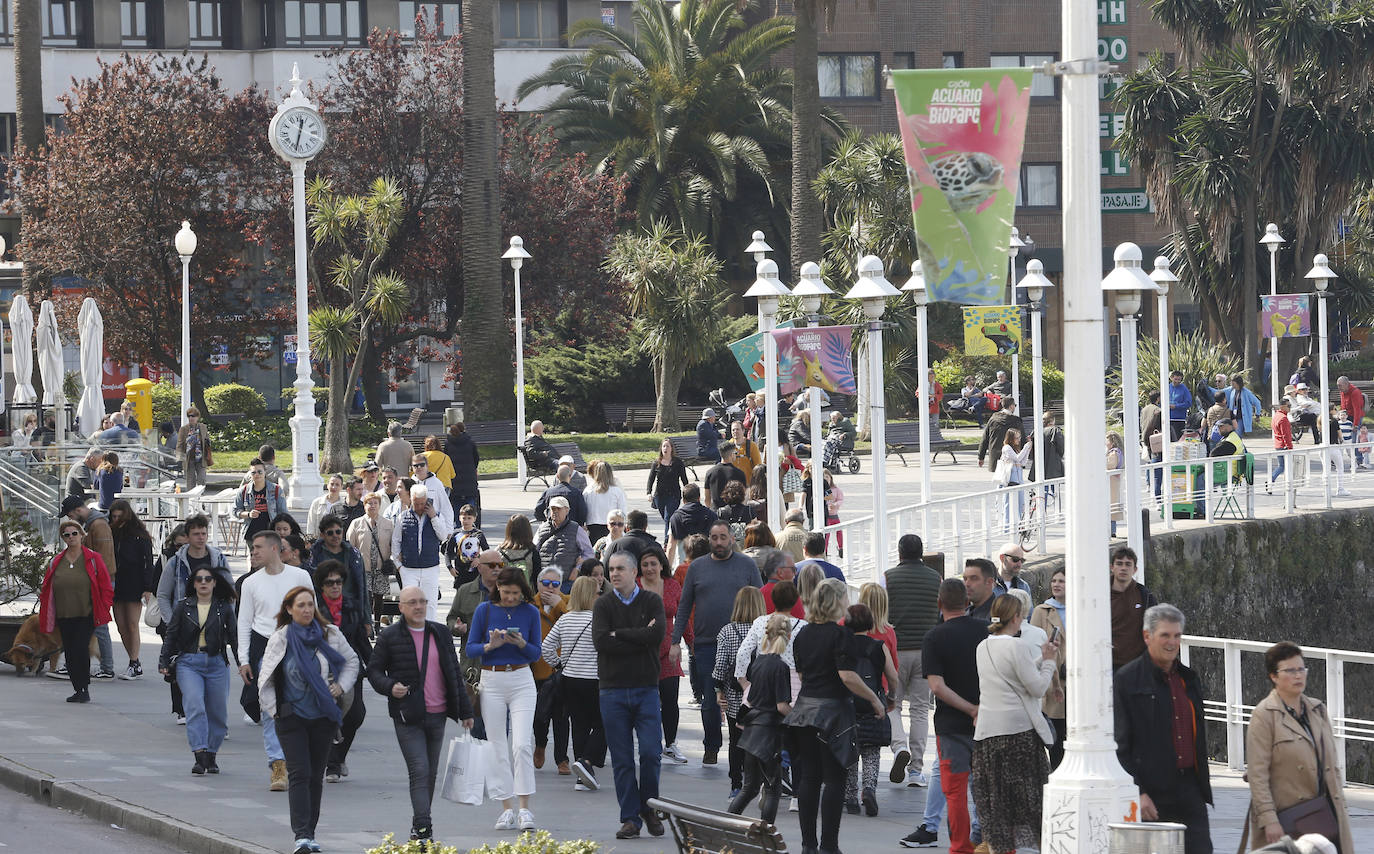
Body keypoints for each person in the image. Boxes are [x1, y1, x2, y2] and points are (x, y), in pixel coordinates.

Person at [367, 585, 475, 844]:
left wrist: (465, 711)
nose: (418, 606)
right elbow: (373, 672)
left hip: (438, 714)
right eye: (412, 602)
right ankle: (425, 828)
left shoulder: (439, 632)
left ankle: (418, 827)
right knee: (419, 770)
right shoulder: (390, 636)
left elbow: (453, 673)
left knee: (430, 773)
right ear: (401, 607)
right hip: (408, 715)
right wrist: (390, 687)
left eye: (422, 602)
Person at [258, 585, 360, 854]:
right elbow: (265, 677)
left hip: (323, 717)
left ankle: (310, 834)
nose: (306, 610)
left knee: (315, 775)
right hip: (291, 717)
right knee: (299, 773)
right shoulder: (281, 638)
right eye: (300, 605)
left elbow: (352, 662)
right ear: (289, 610)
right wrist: (274, 711)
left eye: (309, 604)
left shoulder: (331, 634)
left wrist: (340, 687)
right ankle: (301, 835)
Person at [785, 578, 884, 854]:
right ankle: (829, 845)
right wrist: (874, 698)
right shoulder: (841, 636)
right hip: (833, 713)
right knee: (835, 779)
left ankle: (808, 845)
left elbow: (802, 674)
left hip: (805, 711)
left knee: (809, 778)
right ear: (836, 601)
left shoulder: (802, 634)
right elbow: (847, 675)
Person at [1113, 604, 1212, 854]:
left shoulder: (1189, 679)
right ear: (1147, 637)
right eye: (1165, 635)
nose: (1172, 642)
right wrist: (1140, 792)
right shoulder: (1127, 680)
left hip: (1190, 787)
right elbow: (1121, 745)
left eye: (1177, 635)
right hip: (1152, 793)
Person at [901, 578, 986, 852]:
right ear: (967, 602)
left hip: (952, 727)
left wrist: (968, 708)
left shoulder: (934, 637)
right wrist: (980, 708)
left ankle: (960, 846)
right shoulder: (986, 631)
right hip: (988, 724)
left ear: (939, 604)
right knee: (987, 790)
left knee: (956, 792)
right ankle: (989, 844)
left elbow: (936, 686)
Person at [1246, 642, 1353, 853]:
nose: (1298, 676)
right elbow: (1257, 775)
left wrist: (1341, 807)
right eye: (1290, 670)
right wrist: (1269, 819)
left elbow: (1332, 766)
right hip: (1288, 818)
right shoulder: (1264, 715)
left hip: (1325, 814)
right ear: (1273, 676)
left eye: (1302, 669)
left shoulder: (1317, 709)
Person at [670, 520, 763, 765]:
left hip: (744, 642)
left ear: (732, 538)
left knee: (745, 696)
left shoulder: (747, 565)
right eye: (714, 538)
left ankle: (744, 746)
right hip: (706, 644)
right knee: (710, 700)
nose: (719, 542)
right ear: (709, 540)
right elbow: (684, 606)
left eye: (723, 537)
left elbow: (760, 602)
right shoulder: (697, 567)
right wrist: (675, 641)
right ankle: (711, 744)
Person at [971, 595, 1057, 854]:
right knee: (1032, 801)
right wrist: (1051, 661)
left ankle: (996, 847)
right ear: (1017, 617)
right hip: (1018, 735)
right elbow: (1037, 687)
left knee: (997, 802)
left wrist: (1040, 659)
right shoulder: (1017, 646)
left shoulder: (983, 646)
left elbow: (1013, 673)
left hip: (987, 733)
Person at [593, 551, 667, 840]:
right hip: (612, 690)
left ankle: (649, 805)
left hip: (646, 688)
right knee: (623, 760)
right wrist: (637, 635)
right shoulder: (603, 604)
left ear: (634, 572)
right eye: (611, 569)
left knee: (651, 753)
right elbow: (601, 642)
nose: (614, 574)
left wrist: (618, 635)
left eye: (620, 569)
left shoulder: (651, 601)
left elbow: (656, 636)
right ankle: (630, 818)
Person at [465, 567, 543, 831]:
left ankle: (524, 808)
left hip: (522, 679)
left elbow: (535, 654)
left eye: (516, 594)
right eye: (506, 592)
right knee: (497, 745)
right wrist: (490, 646)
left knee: (521, 744)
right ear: (497, 588)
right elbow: (470, 647)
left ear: (523, 593)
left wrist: (520, 643)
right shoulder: (484, 611)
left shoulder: (530, 612)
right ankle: (506, 808)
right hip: (492, 679)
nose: (511, 598)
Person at [238, 532, 315, 792]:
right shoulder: (250, 583)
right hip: (265, 647)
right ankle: (277, 764)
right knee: (270, 707)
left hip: (296, 644)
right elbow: (244, 622)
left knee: (301, 703)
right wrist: (243, 659)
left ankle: (301, 758)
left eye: (258, 547)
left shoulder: (300, 577)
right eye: (252, 548)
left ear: (275, 548)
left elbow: (311, 613)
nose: (253, 552)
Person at [158, 563, 238, 774]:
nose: (203, 583)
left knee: (218, 713)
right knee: (195, 706)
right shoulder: (183, 606)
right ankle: (199, 754)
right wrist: (164, 661)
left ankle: (211, 754)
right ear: (193, 584)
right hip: (189, 663)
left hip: (216, 663)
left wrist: (243, 664)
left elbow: (235, 638)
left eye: (208, 579)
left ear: (214, 583)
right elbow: (171, 635)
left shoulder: (224, 607)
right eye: (199, 579)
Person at [885, 533, 941, 788]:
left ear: (899, 553)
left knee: (893, 705)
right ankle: (917, 771)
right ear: (921, 553)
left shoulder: (887, 578)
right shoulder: (936, 579)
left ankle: (899, 748)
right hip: (925, 650)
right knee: (919, 709)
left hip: (895, 651)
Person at [39, 519, 113, 703]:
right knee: (70, 652)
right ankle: (77, 688)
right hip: (64, 615)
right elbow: (47, 587)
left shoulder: (93, 559)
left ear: (81, 535)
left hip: (86, 613)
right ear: (63, 538)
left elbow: (105, 586)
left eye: (74, 533)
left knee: (80, 648)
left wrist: (104, 606)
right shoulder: (56, 561)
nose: (71, 537)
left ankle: (84, 687)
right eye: (67, 534)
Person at [728, 612, 793, 824]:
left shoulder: (758, 663)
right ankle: (766, 834)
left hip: (751, 732)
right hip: (769, 734)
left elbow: (752, 699)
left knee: (749, 787)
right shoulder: (781, 666)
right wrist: (798, 717)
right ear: (787, 636)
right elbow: (782, 706)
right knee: (773, 789)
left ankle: (727, 823)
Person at [541, 575, 603, 792]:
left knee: (580, 725)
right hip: (594, 679)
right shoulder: (597, 619)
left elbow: (546, 647)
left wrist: (558, 665)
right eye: (597, 593)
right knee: (605, 723)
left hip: (569, 679)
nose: (599, 596)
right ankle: (586, 762)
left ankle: (582, 775)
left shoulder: (565, 619)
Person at [313, 561, 372, 783]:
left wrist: (375, 667)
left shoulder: (352, 606)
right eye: (330, 583)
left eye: (338, 581)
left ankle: (338, 757)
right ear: (321, 586)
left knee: (356, 714)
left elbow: (361, 640)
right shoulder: (314, 609)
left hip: (350, 667)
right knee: (328, 716)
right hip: (322, 670)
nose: (335, 586)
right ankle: (331, 763)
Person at [636, 545, 691, 765]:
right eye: (645, 564)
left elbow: (683, 615)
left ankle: (670, 743)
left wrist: (690, 641)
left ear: (661, 565)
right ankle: (648, 743)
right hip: (641, 652)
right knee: (644, 701)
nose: (649, 568)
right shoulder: (635, 586)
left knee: (670, 699)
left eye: (653, 564)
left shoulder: (672, 585)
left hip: (669, 650)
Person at [842, 603, 897, 818]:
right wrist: (891, 697)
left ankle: (851, 797)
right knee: (872, 750)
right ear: (870, 623)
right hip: (873, 701)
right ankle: (869, 789)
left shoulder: (842, 645)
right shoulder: (878, 646)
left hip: (847, 704)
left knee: (850, 752)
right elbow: (892, 676)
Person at [712, 586, 766, 798]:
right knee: (761, 739)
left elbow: (721, 665)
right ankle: (762, 782)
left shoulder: (727, 631)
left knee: (736, 741)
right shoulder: (767, 629)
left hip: (736, 695)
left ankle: (737, 784)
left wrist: (719, 691)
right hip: (762, 694)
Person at [59, 495, 118, 679]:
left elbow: (104, 559)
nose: (70, 520)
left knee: (99, 625)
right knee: (85, 626)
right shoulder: (93, 524)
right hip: (96, 581)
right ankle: (77, 665)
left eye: (69, 515)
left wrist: (97, 585)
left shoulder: (98, 525)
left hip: (99, 582)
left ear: (77, 510)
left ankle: (107, 667)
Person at [391, 484, 454, 622]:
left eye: (422, 503)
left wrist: (433, 517)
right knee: (410, 602)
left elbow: (443, 536)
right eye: (416, 503)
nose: (419, 506)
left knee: (430, 602)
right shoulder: (403, 516)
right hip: (408, 568)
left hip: (430, 567)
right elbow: (396, 541)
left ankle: (429, 631)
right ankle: (410, 631)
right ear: (411, 500)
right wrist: (398, 565)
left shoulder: (436, 515)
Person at [107, 499, 155, 680]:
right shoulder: (111, 533)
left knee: (132, 624)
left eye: (120, 516)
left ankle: (134, 662)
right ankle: (133, 661)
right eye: (114, 516)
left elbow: (148, 562)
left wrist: (147, 587)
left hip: (134, 581)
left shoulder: (139, 535)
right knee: (121, 625)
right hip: (116, 581)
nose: (117, 519)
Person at [531, 567, 571, 776]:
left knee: (562, 716)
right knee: (540, 715)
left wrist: (560, 605)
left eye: (555, 584)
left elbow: (574, 624)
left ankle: (562, 759)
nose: (550, 588)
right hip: (537, 669)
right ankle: (540, 744)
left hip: (562, 669)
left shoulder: (568, 601)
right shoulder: (530, 604)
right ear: (538, 584)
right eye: (546, 583)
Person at [1029, 568, 1067, 768]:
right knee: (1056, 735)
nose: (1056, 584)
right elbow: (1034, 643)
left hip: (1077, 678)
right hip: (1053, 680)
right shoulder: (1042, 611)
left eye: (1062, 581)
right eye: (1054, 580)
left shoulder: (1080, 609)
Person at [309, 515, 370, 634]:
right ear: (322, 535)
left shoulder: (354, 554)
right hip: (324, 612)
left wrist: (367, 620)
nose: (335, 535)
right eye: (330, 533)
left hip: (351, 612)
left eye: (338, 531)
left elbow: (362, 588)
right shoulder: (314, 556)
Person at [347, 492, 396, 627]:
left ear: (380, 505)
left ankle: (377, 624)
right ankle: (367, 623)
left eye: (375, 503)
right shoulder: (356, 523)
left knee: (379, 597)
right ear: (364, 506)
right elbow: (350, 545)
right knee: (366, 597)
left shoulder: (388, 523)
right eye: (369, 503)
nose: (372, 506)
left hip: (381, 566)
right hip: (364, 566)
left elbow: (394, 544)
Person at [1109, 546, 1157, 672]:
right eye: (1119, 563)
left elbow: (1155, 629)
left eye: (1128, 564)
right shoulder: (1099, 596)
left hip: (1137, 667)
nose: (1123, 568)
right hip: (1106, 666)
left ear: (1135, 569)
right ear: (1112, 567)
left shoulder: (1145, 596)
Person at [535, 496, 592, 589]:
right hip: (544, 582)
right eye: (553, 509)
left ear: (567, 510)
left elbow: (589, 553)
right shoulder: (542, 528)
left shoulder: (576, 529)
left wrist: (577, 569)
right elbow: (534, 550)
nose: (555, 511)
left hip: (566, 582)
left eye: (559, 508)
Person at [237, 458, 289, 545]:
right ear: (250, 474)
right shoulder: (243, 491)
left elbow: (283, 513)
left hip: (271, 534)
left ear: (265, 472)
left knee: (271, 558)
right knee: (254, 557)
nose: (257, 475)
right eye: (253, 472)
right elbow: (235, 511)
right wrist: (249, 514)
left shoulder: (276, 489)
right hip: (251, 534)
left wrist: (283, 531)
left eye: (260, 472)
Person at [646, 438, 689, 540]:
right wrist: (648, 492)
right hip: (659, 496)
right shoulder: (657, 463)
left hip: (674, 495)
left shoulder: (678, 463)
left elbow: (684, 479)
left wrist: (687, 492)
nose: (665, 448)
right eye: (663, 446)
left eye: (667, 446)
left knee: (668, 518)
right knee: (666, 519)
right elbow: (651, 479)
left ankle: (667, 541)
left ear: (671, 449)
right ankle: (672, 535)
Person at [666, 483, 718, 563]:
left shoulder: (676, 517)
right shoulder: (711, 515)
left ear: (683, 500)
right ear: (699, 498)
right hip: (706, 564)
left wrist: (667, 571)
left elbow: (671, 547)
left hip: (684, 566)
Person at [443, 422, 481, 526]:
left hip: (454, 479)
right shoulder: (470, 443)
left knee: (456, 503)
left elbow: (446, 460)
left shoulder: (448, 444)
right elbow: (476, 459)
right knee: (470, 502)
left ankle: (460, 524)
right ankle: (471, 522)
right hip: (469, 479)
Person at [583, 460, 627, 545]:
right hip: (613, 526)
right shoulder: (617, 491)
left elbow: (584, 511)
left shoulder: (588, 491)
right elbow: (623, 511)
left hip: (593, 527)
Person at [409, 454, 455, 529]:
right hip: (414, 525)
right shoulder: (410, 483)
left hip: (433, 524)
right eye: (416, 466)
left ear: (427, 466)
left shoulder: (437, 483)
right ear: (412, 468)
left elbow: (445, 507)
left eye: (422, 465)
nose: (419, 467)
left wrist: (449, 529)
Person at [448, 504, 489, 589]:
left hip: (475, 572)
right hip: (460, 572)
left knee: (475, 596)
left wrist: (479, 559)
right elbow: (447, 552)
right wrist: (450, 567)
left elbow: (487, 551)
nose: (466, 521)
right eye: (464, 518)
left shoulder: (478, 534)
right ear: (459, 518)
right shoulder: (456, 534)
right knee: (461, 597)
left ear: (474, 518)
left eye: (469, 518)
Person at [175, 407, 213, 489]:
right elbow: (180, 444)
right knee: (190, 481)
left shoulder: (203, 427)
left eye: (193, 416)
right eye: (189, 416)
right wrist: (179, 458)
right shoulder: (184, 429)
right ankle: (191, 499)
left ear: (197, 417)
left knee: (202, 479)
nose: (191, 418)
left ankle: (200, 497)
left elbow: (207, 440)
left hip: (201, 457)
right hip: (189, 458)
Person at [498, 514, 542, 584]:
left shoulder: (499, 552)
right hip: (527, 592)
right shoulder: (533, 552)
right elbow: (537, 576)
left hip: (504, 592)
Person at [704, 442, 748, 510]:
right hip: (734, 513)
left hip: (716, 513)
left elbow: (707, 499)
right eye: (735, 453)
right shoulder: (739, 473)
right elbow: (744, 497)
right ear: (732, 454)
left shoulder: (710, 472)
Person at [760, 548, 802, 618]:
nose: (795, 573)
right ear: (780, 572)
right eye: (793, 569)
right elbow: (801, 621)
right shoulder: (790, 596)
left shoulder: (758, 595)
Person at [1029, 411, 1066, 486]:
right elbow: (1061, 447)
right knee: (1054, 488)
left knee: (1042, 488)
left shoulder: (1036, 431)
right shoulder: (1055, 431)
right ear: (1052, 420)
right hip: (1053, 463)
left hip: (1039, 464)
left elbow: (1031, 449)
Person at [1269, 397, 1294, 492]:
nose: (1290, 408)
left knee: (1281, 466)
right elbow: (1286, 435)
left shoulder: (1276, 415)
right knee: (1286, 467)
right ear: (1283, 406)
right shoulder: (1283, 418)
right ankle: (1287, 487)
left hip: (1277, 445)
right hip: (1284, 446)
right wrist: (1289, 447)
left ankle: (1271, 480)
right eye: (1289, 406)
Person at [1107, 432, 1125, 538]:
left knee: (1110, 507)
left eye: (1107, 441)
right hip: (1115, 481)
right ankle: (1112, 530)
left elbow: (1110, 465)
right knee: (1113, 508)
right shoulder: (1119, 452)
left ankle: (1111, 531)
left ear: (1112, 442)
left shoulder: (1113, 453)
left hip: (1111, 482)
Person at [1167, 370, 1193, 441]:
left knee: (1177, 440)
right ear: (1171, 378)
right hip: (1167, 419)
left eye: (1179, 380)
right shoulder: (1167, 387)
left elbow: (1188, 403)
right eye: (1175, 379)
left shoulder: (1184, 389)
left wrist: (1176, 406)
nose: (1177, 381)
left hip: (1179, 419)